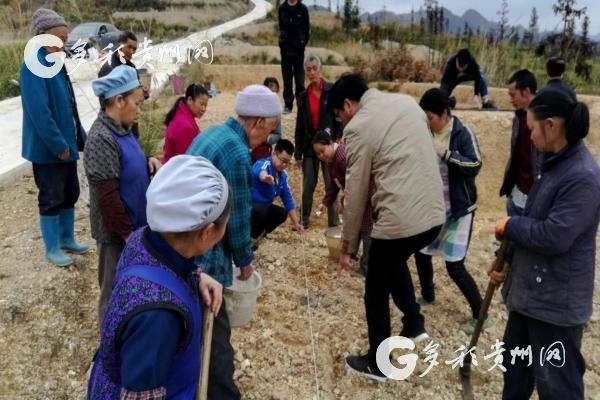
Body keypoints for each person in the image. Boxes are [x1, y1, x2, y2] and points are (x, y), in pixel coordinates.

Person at [329, 74, 445, 382]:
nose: (342, 124)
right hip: (434, 215)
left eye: (340, 116)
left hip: (402, 218)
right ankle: (414, 323)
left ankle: (379, 364)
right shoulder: (407, 104)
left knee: (375, 289)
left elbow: (355, 192)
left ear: (347, 105)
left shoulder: (358, 126)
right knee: (391, 260)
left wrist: (347, 248)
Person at [87, 155, 227, 400]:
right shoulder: (158, 317)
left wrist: (195, 276)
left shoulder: (145, 237)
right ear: (206, 232)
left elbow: (160, 268)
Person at [490, 91, 600, 400]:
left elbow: (554, 236)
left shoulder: (583, 176)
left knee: (557, 389)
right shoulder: (551, 161)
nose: (531, 137)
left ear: (551, 126)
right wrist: (508, 260)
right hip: (528, 298)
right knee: (515, 376)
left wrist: (510, 225)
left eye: (532, 129)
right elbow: (533, 215)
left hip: (555, 308)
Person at [187, 84, 281, 399]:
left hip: (182, 243)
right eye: (268, 130)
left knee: (194, 327)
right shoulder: (237, 153)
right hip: (206, 255)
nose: (267, 139)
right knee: (216, 335)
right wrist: (244, 262)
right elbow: (239, 216)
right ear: (255, 123)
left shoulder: (211, 134)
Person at [84, 65, 162, 322]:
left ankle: (126, 331)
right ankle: (109, 345)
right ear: (119, 100)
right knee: (113, 290)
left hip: (132, 230)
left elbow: (126, 166)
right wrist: (129, 236)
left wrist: (147, 161)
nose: (139, 109)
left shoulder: (122, 130)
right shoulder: (101, 138)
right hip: (116, 235)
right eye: (136, 103)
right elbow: (107, 197)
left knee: (131, 284)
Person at [414, 88, 487, 335]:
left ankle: (480, 313)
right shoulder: (425, 132)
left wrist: (446, 153)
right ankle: (427, 295)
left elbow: (475, 164)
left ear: (445, 114)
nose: (428, 123)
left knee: (455, 266)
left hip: (458, 208)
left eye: (431, 118)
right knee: (421, 253)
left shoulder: (462, 133)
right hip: (432, 207)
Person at [21, 8, 89, 267]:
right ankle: (52, 248)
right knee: (51, 197)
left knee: (70, 191)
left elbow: (69, 106)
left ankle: (66, 238)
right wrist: (58, 144)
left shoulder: (54, 61)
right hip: (49, 149)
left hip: (66, 145)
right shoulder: (33, 65)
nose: (64, 43)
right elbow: (40, 113)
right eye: (60, 38)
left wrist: (80, 137)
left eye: (65, 38)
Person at [312, 130, 373, 276]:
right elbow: (334, 185)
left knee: (367, 229)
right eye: (318, 154)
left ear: (330, 143)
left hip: (366, 195)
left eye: (322, 151)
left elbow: (356, 182)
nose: (321, 156)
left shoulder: (342, 156)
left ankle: (366, 267)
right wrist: (325, 203)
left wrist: (344, 200)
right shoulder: (331, 161)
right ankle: (350, 254)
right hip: (354, 198)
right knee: (355, 227)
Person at [295, 54, 342, 229]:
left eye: (315, 68)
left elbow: (338, 116)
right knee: (308, 183)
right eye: (308, 69)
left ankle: (334, 222)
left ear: (320, 69)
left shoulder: (331, 90)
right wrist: (297, 152)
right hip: (308, 145)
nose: (312, 72)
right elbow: (300, 124)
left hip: (327, 143)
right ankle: (303, 219)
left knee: (332, 182)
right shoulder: (302, 96)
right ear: (305, 71)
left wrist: (338, 138)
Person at [499, 69, 538, 217]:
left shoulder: (546, 120)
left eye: (513, 95)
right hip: (516, 192)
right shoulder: (518, 118)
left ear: (526, 92)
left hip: (535, 195)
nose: (511, 100)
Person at [251, 139, 303, 243]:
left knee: (281, 213)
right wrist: (265, 177)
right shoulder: (264, 163)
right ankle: (250, 237)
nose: (284, 165)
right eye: (282, 160)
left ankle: (259, 236)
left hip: (265, 208)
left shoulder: (283, 176)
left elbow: (288, 199)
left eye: (287, 162)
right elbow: (260, 171)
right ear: (274, 154)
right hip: (251, 206)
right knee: (260, 211)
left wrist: (296, 223)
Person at [162, 83, 209, 164]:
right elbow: (187, 161)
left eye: (205, 105)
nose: (203, 109)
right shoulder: (184, 126)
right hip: (175, 171)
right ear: (190, 100)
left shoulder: (182, 113)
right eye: (201, 104)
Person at [278, 0, 310, 114]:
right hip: (285, 51)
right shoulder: (282, 8)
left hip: (299, 52)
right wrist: (283, 42)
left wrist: (302, 43)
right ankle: (288, 105)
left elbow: (307, 30)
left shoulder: (303, 9)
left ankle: (301, 106)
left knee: (300, 81)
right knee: (287, 80)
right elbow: (281, 27)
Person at [251, 77, 283, 163]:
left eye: (275, 92)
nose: (273, 95)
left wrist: (265, 138)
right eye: (271, 92)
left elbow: (278, 135)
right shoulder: (253, 107)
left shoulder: (276, 112)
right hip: (248, 148)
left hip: (264, 151)